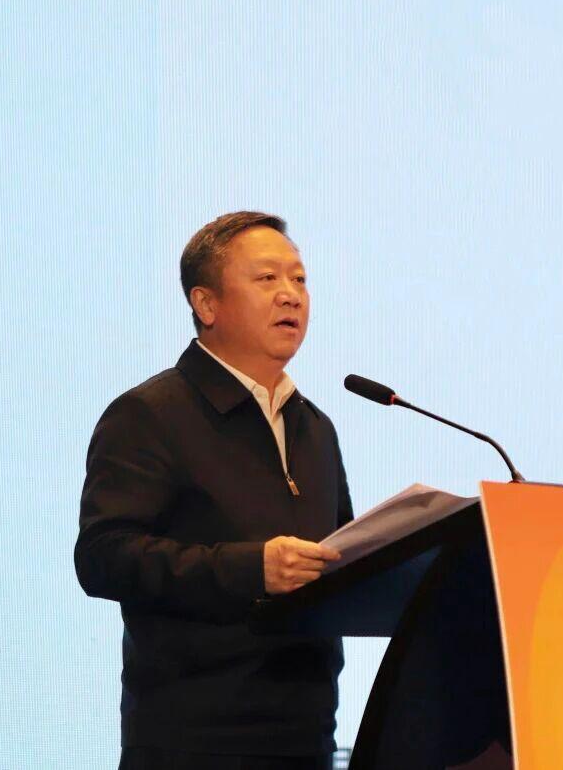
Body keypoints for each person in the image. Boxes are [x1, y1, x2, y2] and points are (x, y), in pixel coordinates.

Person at [75, 211, 354, 770]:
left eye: (299, 279)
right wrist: (252, 569)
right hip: (195, 743)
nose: (291, 295)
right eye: (267, 278)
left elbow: (340, 561)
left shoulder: (315, 427)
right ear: (206, 304)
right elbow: (103, 558)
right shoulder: (150, 414)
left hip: (307, 739)